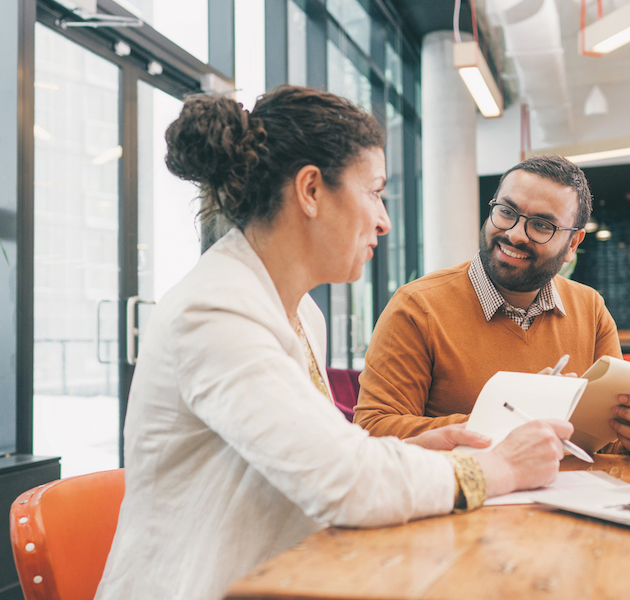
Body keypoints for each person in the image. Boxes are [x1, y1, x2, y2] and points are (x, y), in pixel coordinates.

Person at [94, 87, 573, 600]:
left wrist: (407, 449)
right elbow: (346, 484)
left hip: (286, 576)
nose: (384, 220)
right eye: (374, 192)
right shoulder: (214, 310)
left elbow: (308, 458)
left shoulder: (301, 311)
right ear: (311, 191)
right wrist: (497, 467)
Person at [353, 155, 630, 460]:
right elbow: (373, 431)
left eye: (542, 225)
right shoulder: (416, 307)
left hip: (573, 503)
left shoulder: (591, 309)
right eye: (506, 211)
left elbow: (604, 442)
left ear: (572, 244)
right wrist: (509, 419)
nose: (514, 234)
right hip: (470, 507)